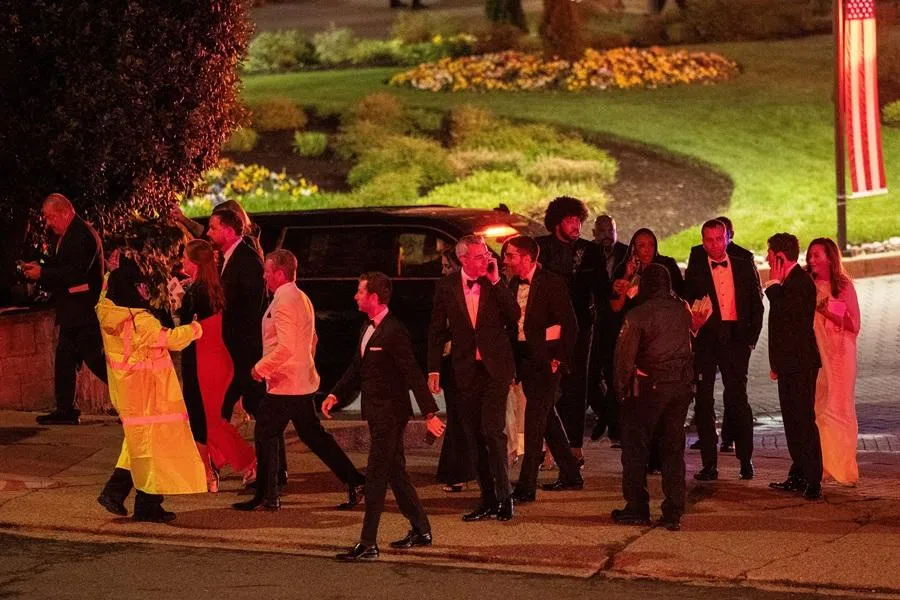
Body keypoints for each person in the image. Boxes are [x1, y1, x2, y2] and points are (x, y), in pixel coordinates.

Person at [323, 272, 446, 561]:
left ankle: (368, 543)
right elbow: (357, 367)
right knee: (395, 472)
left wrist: (430, 412)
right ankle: (421, 529)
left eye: (360, 292)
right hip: (377, 412)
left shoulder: (394, 331)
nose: (355, 296)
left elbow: (412, 373)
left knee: (376, 475)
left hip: (391, 414)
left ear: (374, 298)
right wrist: (335, 394)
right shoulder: (367, 327)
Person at [233, 250, 365, 512]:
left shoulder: (284, 301)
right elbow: (312, 339)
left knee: (266, 432)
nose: (264, 276)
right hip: (299, 380)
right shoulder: (300, 297)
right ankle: (355, 481)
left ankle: (268, 496)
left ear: (279, 273)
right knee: (312, 435)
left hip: (286, 383)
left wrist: (260, 368)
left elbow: (287, 347)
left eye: (267, 272)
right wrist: (305, 366)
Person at [95, 258, 206, 522]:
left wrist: (111, 270)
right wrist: (195, 329)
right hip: (149, 393)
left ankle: (117, 493)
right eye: (140, 286)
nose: (145, 291)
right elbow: (171, 340)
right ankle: (145, 503)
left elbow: (104, 289)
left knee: (138, 445)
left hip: (128, 391)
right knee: (153, 449)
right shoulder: (139, 320)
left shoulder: (107, 311)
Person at [428, 235, 520, 522]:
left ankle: (505, 499)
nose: (487, 260)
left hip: (495, 369)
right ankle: (488, 500)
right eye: (480, 256)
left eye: (486, 255)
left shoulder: (495, 282)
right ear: (464, 259)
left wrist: (495, 281)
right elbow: (436, 330)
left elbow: (514, 314)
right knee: (474, 435)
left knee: (493, 432)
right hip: (466, 369)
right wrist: (433, 369)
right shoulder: (447, 286)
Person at [612, 264, 693, 531]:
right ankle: (673, 509)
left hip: (648, 387)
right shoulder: (681, 309)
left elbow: (624, 359)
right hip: (679, 387)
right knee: (673, 449)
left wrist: (621, 391)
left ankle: (637, 505)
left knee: (636, 448)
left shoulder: (638, 315)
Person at [503, 236, 583, 503]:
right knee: (546, 418)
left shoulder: (552, 283)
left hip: (548, 362)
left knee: (534, 420)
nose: (506, 260)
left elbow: (569, 325)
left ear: (527, 258)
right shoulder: (512, 283)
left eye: (510, 255)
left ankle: (526, 487)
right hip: (525, 360)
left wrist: (558, 359)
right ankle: (571, 474)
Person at [684, 220, 763, 482]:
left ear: (727, 238)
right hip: (707, 341)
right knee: (704, 401)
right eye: (709, 240)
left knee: (738, 399)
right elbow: (689, 299)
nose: (715, 245)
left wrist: (750, 340)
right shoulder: (696, 264)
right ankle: (709, 464)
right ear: (703, 240)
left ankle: (746, 459)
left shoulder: (741, 263)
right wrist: (693, 325)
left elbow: (756, 304)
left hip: (736, 339)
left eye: (719, 239)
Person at [536, 197, 609, 467]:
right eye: (570, 220)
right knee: (546, 387)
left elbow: (602, 291)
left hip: (580, 327)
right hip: (548, 327)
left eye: (579, 220)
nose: (576, 225)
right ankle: (547, 446)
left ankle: (575, 446)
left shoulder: (590, 251)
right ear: (557, 222)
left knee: (577, 386)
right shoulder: (541, 248)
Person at [22, 194, 106, 425]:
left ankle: (134, 395)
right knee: (65, 359)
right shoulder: (68, 235)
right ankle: (65, 409)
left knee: (96, 360)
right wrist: (42, 269)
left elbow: (74, 273)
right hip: (73, 311)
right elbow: (62, 268)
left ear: (65, 212)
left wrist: (43, 274)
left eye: (50, 217)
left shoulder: (82, 235)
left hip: (84, 311)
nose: (48, 223)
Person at [179, 239, 256, 492]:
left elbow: (183, 331)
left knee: (208, 421)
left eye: (184, 258)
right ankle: (212, 469)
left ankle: (249, 463)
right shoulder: (212, 288)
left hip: (203, 362)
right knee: (209, 419)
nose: (181, 262)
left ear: (194, 263)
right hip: (218, 360)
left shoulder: (194, 293)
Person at [765, 233, 823, 500]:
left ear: (779, 257)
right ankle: (798, 473)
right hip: (788, 364)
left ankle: (813, 479)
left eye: (769, 254)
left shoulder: (800, 283)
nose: (766, 258)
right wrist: (775, 363)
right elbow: (777, 331)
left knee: (803, 421)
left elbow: (791, 321)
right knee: (791, 422)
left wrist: (774, 288)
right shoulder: (786, 282)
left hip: (801, 363)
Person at [206, 210, 269, 431]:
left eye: (213, 228)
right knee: (253, 408)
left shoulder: (247, 260)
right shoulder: (229, 258)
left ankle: (215, 459)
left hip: (244, 351)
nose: (208, 233)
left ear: (229, 231)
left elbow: (251, 307)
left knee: (248, 407)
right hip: (235, 350)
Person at [806, 238, 860, 486]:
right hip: (818, 352)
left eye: (817, 255)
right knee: (820, 407)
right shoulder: (807, 285)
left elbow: (854, 325)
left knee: (839, 406)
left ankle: (843, 465)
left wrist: (825, 308)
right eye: (810, 256)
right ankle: (824, 464)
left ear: (830, 257)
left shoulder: (844, 286)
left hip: (840, 353)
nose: (812, 260)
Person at [434, 249, 476, 493]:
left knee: (464, 416)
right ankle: (457, 469)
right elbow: (437, 328)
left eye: (447, 266)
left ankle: (461, 470)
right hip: (452, 360)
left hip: (470, 361)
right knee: (458, 415)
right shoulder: (446, 290)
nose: (443, 272)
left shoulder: (477, 289)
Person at [590, 214, 628, 443]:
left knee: (614, 373)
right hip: (595, 319)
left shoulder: (625, 253)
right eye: (601, 230)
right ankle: (605, 415)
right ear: (594, 233)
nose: (606, 235)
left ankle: (612, 423)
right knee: (591, 375)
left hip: (617, 319)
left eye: (610, 230)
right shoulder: (589, 253)